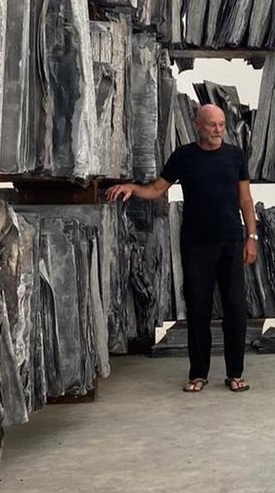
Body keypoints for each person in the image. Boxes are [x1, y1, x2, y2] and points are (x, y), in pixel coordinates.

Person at [107, 104, 258, 393]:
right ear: (197, 125)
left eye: (222, 124)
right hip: (196, 244)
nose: (217, 130)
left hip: (231, 242)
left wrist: (252, 237)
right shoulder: (184, 156)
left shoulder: (235, 156)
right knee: (198, 309)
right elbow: (155, 190)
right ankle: (198, 373)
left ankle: (235, 373)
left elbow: (246, 200)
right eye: (212, 124)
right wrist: (131, 188)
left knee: (236, 310)